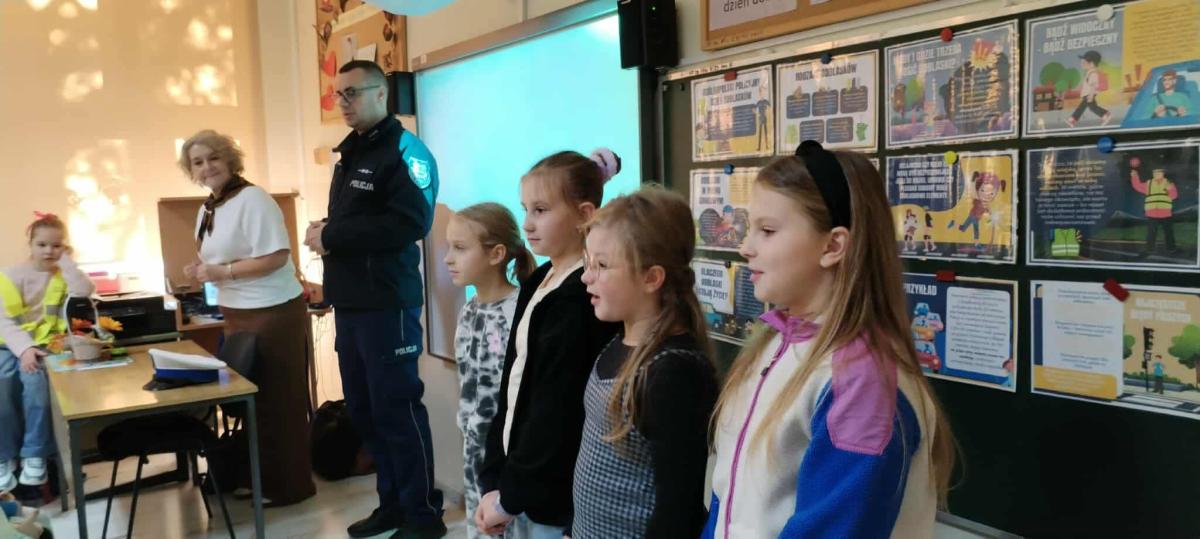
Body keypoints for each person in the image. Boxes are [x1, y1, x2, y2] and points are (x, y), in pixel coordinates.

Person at [702, 141, 956, 538]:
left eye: (767, 230)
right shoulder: (773, 345)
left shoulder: (860, 379)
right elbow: (727, 503)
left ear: (833, 245)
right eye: (750, 228)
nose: (745, 247)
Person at [304, 59, 444, 539]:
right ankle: (392, 506)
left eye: (352, 92)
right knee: (364, 411)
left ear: (381, 94)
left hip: (388, 305)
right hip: (352, 304)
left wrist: (331, 235)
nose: (342, 102)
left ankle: (424, 516)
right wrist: (330, 233)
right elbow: (358, 223)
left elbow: (411, 222)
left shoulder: (406, 151)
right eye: (338, 94)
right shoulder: (352, 151)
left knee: (397, 410)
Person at [474, 150, 622, 538]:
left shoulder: (581, 297)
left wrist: (511, 495)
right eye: (526, 209)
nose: (527, 223)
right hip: (518, 485)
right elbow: (512, 386)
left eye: (540, 210)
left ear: (584, 214)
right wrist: (495, 476)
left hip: (551, 497)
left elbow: (555, 409)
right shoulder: (538, 280)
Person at [569, 187, 718, 538]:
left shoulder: (673, 372)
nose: (586, 277)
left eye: (602, 266)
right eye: (588, 263)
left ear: (652, 278)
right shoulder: (618, 341)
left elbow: (678, 510)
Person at [180, 129, 316, 507]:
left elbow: (275, 256)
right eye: (197, 162)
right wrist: (201, 269)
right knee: (250, 401)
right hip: (236, 312)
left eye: (214, 158)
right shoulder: (208, 207)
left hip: (273, 311)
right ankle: (256, 477)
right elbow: (222, 257)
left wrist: (221, 272)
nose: (207, 167)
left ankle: (289, 487)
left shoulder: (253, 199)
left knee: (278, 401)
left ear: (230, 159)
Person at [444, 203, 535, 539]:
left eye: (460, 248)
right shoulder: (469, 310)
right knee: (480, 527)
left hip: (508, 455)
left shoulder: (520, 313)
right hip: (474, 450)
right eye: (449, 247)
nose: (448, 259)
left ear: (496, 254)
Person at [0, 213, 94, 490]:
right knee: (3, 383)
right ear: (30, 244)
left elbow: (84, 291)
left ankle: (35, 453)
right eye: (42, 244)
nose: (49, 251)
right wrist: (24, 349)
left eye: (56, 245)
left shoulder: (63, 275)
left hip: (44, 347)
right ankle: (4, 455)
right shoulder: (9, 276)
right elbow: (4, 320)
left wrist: (68, 263)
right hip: (8, 344)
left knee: (36, 384)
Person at [1129, 162, 1179, 257]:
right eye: (1155, 172)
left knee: (1168, 232)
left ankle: (1172, 249)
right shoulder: (1148, 184)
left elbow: (1174, 196)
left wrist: (1169, 189)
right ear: (1153, 174)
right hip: (1152, 214)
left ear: (1163, 173)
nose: (1156, 174)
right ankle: (1149, 250)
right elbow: (1137, 186)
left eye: (1159, 172)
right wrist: (1134, 176)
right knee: (1151, 233)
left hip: (1166, 213)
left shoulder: (1169, 183)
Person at [1067, 51, 1111, 128]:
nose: (1081, 64)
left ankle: (1105, 114)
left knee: (1090, 107)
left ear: (1091, 63)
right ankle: (1073, 119)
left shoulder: (1093, 73)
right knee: (1087, 107)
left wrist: (1090, 96)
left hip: (1089, 94)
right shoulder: (1090, 72)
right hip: (1087, 94)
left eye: (1084, 63)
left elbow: (1093, 85)